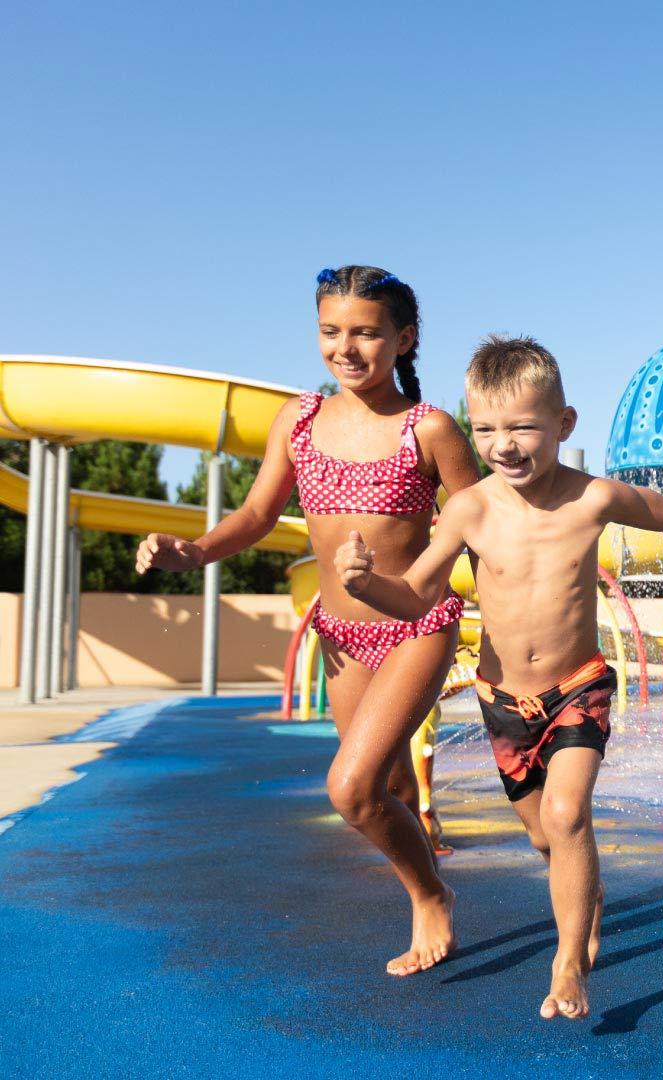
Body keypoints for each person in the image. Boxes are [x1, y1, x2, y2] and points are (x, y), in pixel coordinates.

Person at [335, 334, 663, 1020]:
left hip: (578, 686)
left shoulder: (593, 498)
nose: (502, 445)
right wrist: (367, 586)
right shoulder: (470, 508)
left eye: (522, 428)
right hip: (504, 700)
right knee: (545, 837)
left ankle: (568, 965)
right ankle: (584, 891)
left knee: (568, 816)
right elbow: (417, 595)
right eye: (484, 429)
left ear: (564, 425)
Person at [138, 266, 481, 976]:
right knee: (386, 787)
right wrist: (194, 551)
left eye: (365, 332)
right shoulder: (299, 420)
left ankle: (430, 895)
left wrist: (517, 623)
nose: (346, 348)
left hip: (418, 624)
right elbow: (257, 516)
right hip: (342, 637)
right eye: (331, 331)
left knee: (351, 791)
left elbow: (486, 525)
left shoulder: (430, 428)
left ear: (403, 338)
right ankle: (422, 834)